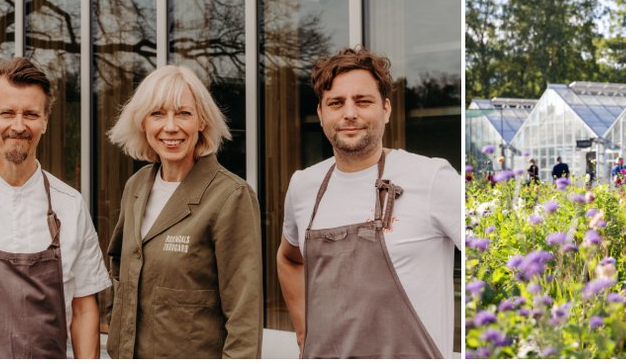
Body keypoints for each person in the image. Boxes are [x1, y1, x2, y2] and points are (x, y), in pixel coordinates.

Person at [276, 48, 461, 358]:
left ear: (386, 109)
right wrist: (304, 334)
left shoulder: (431, 178)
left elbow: (490, 256)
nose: (350, 113)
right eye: (336, 103)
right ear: (321, 114)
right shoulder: (303, 186)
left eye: (363, 101)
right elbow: (290, 259)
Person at [0, 57, 111, 359]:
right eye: (7, 113)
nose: (19, 126)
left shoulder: (70, 204)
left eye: (31, 114)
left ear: (45, 121)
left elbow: (85, 309)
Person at [105, 65, 262, 358]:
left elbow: (244, 313)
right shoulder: (135, 187)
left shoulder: (230, 196)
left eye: (184, 113)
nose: (171, 126)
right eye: (158, 114)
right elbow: (119, 268)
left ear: (202, 120)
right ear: (143, 123)